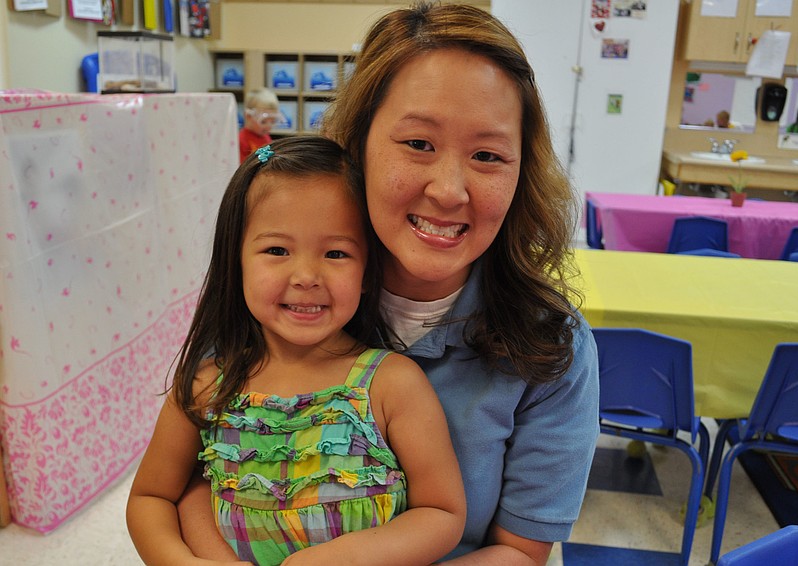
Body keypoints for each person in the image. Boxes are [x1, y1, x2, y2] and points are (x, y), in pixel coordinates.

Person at [177, 3, 600, 564]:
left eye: (488, 155)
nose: (450, 190)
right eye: (418, 144)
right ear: (358, 143)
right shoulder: (282, 299)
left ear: (522, 172)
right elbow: (194, 477)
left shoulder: (551, 348)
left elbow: (520, 553)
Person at [126, 136, 466, 566]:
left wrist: (352, 557)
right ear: (237, 262)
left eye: (336, 253)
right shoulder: (205, 385)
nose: (306, 275)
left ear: (366, 271)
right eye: (277, 250)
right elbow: (150, 497)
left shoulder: (392, 383)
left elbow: (442, 512)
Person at [238, 88, 280, 162]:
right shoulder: (241, 140)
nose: (269, 126)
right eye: (263, 122)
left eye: (273, 121)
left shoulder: (266, 138)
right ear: (248, 116)